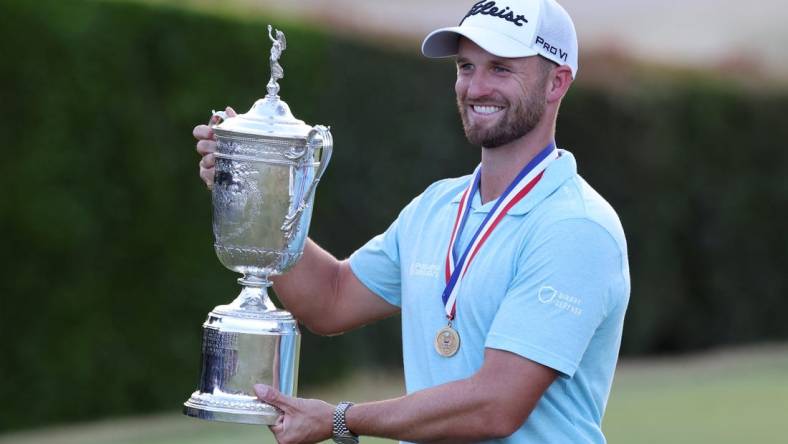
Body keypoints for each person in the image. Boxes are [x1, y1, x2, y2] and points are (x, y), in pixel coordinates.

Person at [194, 0, 630, 442]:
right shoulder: (437, 206)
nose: (476, 87)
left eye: (500, 68)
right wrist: (256, 187)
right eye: (465, 66)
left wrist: (340, 419)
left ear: (557, 82)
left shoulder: (576, 226)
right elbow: (330, 298)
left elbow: (496, 406)